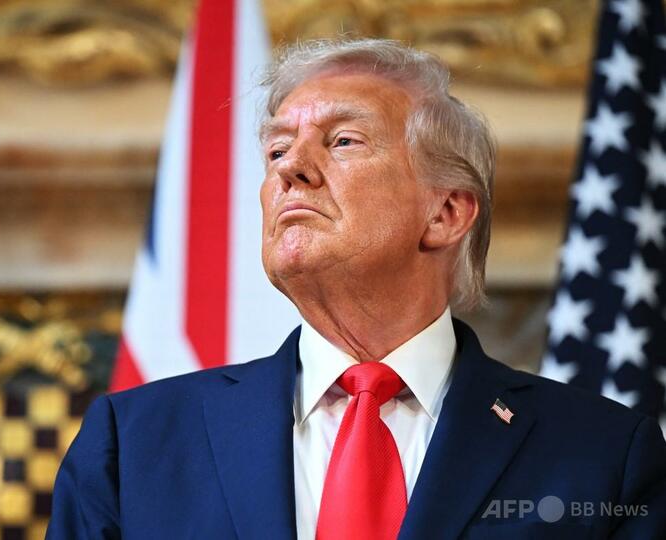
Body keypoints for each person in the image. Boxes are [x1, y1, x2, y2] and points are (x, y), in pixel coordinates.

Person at [46, 39, 666, 539]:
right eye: (277, 150)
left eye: (343, 141)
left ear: (446, 213)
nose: (291, 168)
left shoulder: (604, 454)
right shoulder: (133, 443)